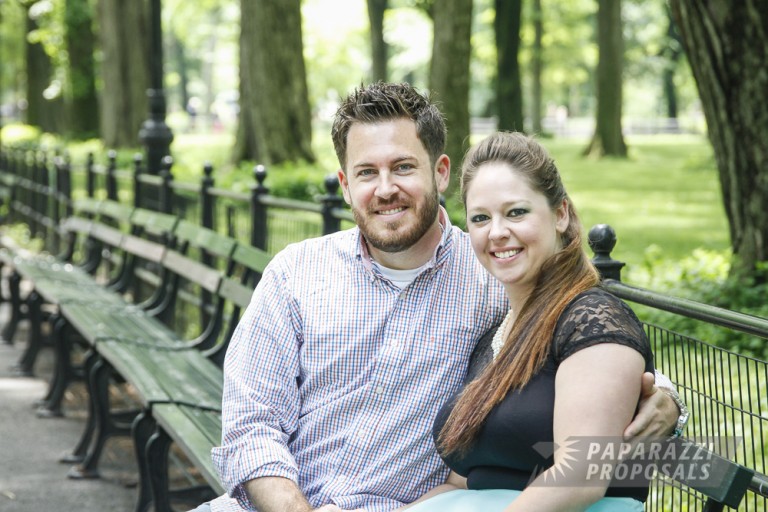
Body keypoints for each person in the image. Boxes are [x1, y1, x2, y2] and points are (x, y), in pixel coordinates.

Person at [192, 82, 683, 512]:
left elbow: (584, 339)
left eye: (403, 167)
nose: (386, 189)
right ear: (345, 184)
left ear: (441, 172)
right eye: (366, 173)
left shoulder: (496, 273)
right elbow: (250, 425)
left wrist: (663, 397)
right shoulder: (295, 273)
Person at [402, 132, 657, 512]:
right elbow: (464, 481)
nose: (497, 231)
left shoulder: (592, 321)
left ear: (560, 214)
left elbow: (581, 474)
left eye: (516, 212)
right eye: (481, 218)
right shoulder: (497, 335)